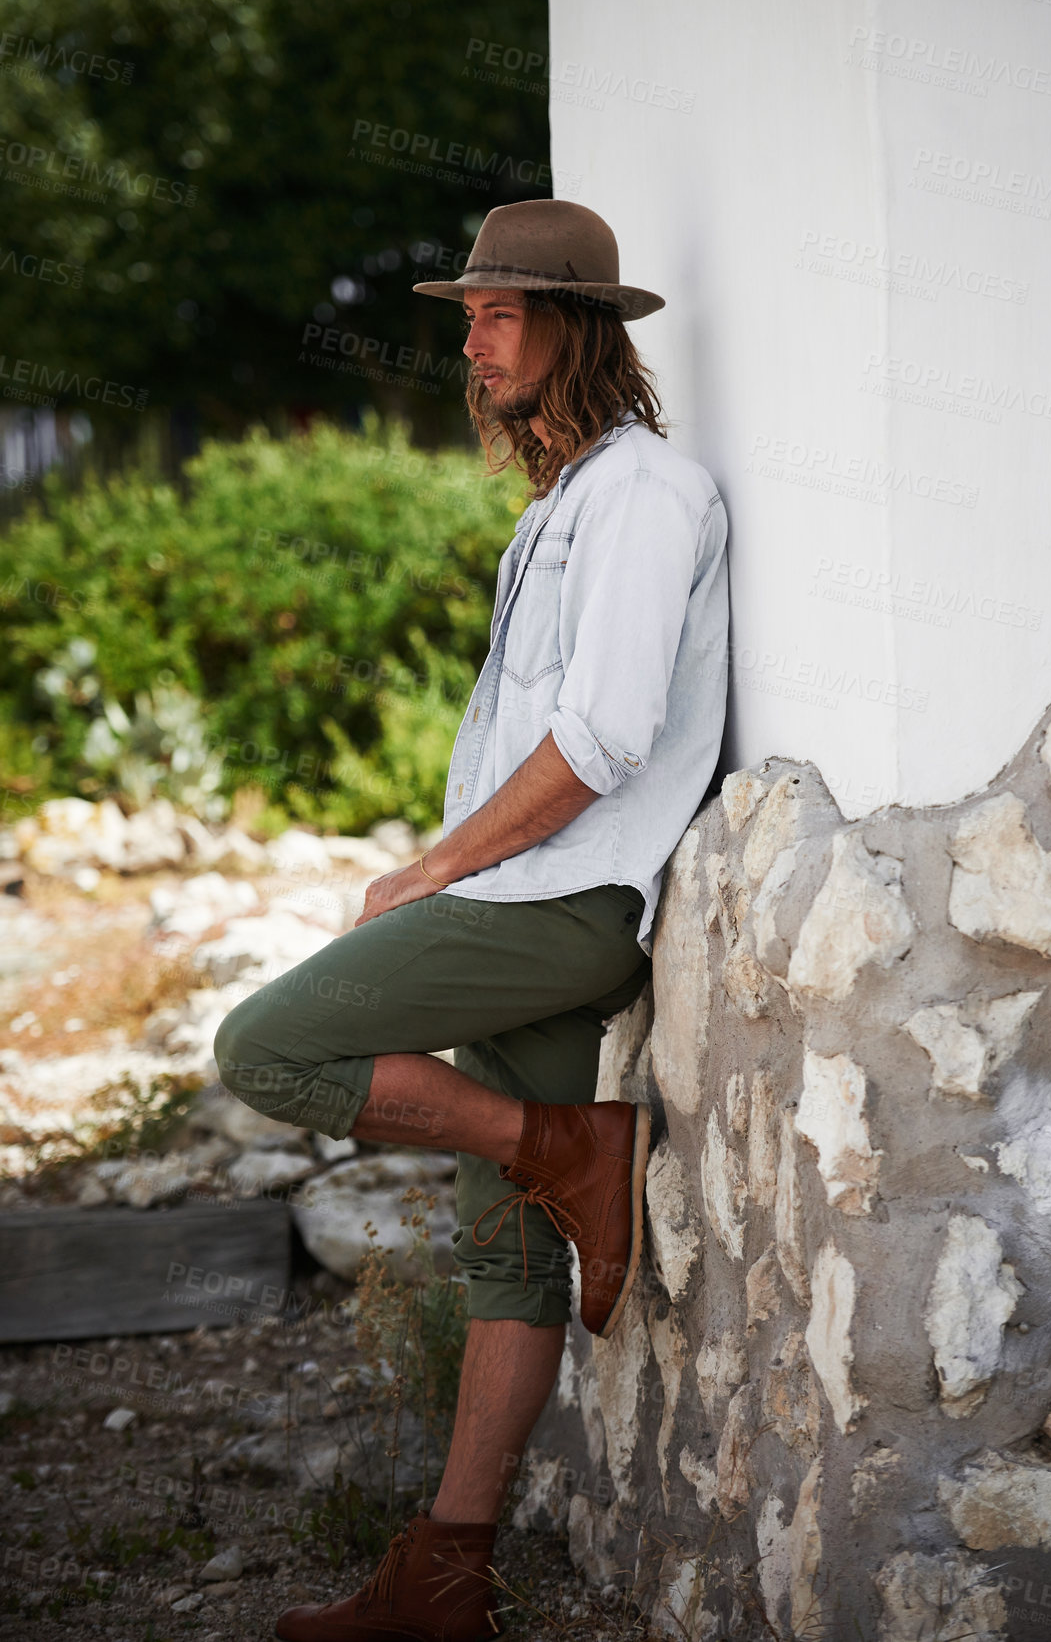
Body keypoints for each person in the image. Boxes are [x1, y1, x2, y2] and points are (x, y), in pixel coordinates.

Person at [213, 198, 730, 1642]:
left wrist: (435, 868)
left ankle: (567, 1145)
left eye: (502, 314)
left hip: (551, 904)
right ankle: (448, 1572)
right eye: (467, 318)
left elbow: (606, 737)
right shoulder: (559, 506)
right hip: (528, 899)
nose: (476, 344)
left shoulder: (641, 494)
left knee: (266, 1047)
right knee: (507, 1254)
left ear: (580, 328)